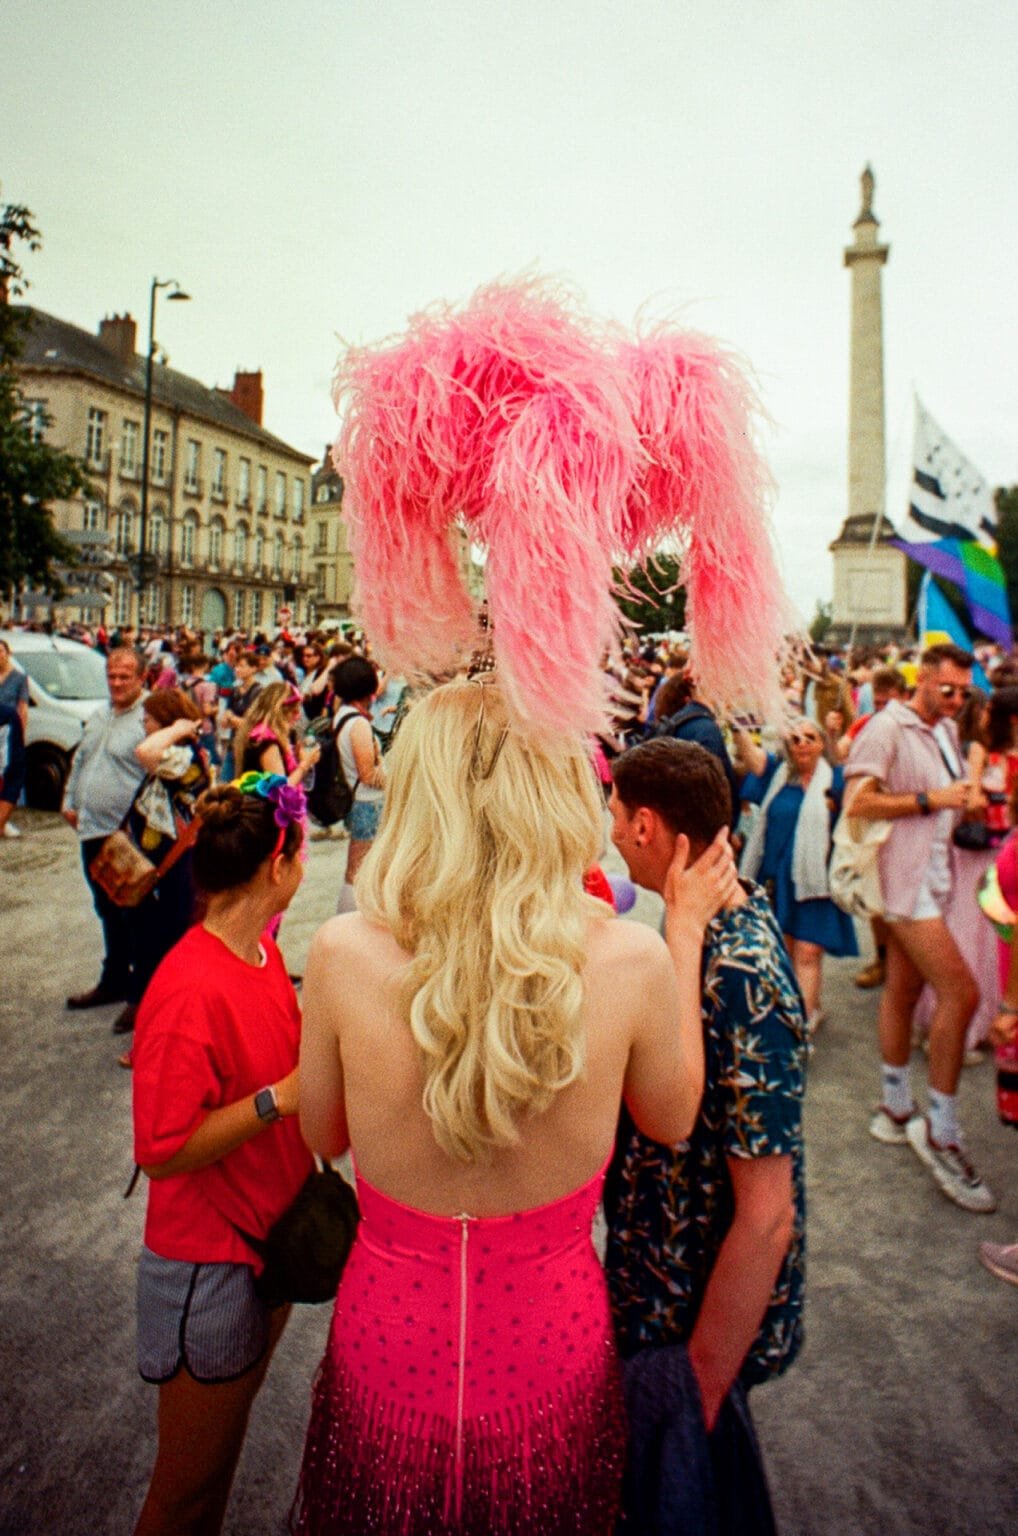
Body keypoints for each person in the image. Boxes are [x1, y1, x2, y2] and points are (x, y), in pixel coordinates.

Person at [292, 678, 737, 1534]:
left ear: (422, 791)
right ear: (557, 791)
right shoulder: (632, 960)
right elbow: (673, 1118)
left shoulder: (343, 952)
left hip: (388, 1341)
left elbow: (323, 1136)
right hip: (551, 1345)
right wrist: (683, 935)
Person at [604, 737, 806, 1535]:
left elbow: (766, 1214)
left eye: (616, 816)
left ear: (648, 826)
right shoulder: (710, 935)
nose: (612, 832)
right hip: (663, 1296)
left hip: (689, 1325)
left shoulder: (737, 971)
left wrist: (701, 1386)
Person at [131, 777, 313, 1536]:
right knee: (183, 1495)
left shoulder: (264, 954)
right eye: (301, 852)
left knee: (217, 1476)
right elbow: (162, 1150)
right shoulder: (188, 989)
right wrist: (283, 1097)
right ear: (278, 863)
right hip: (209, 1267)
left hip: (264, 1248)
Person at [845, 643, 995, 1212]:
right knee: (962, 992)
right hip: (904, 889)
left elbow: (949, 799)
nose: (956, 701)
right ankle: (942, 1131)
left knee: (904, 991)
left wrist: (965, 803)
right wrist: (934, 799)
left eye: (964, 692)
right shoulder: (888, 727)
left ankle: (893, 1107)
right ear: (922, 682)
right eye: (947, 690)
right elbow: (858, 803)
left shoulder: (947, 732)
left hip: (936, 880)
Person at [736, 716, 858, 1034]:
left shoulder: (838, 780)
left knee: (808, 951)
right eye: (795, 739)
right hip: (778, 879)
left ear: (821, 744)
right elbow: (750, 754)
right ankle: (807, 1005)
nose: (802, 743)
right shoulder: (777, 774)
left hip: (817, 880)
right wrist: (737, 726)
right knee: (786, 950)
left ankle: (797, 1029)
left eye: (809, 737)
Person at [113, 688, 212, 1042]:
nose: (143, 725)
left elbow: (145, 751)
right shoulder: (174, 752)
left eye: (150, 719)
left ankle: (161, 1011)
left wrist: (182, 727)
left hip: (172, 864)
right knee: (144, 930)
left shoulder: (183, 756)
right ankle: (145, 1000)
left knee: (165, 936)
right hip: (155, 861)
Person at [62, 648, 147, 1015]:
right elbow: (81, 760)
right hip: (92, 830)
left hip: (127, 835)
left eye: (124, 677)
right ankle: (114, 979)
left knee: (136, 913)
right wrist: (70, 800)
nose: (116, 684)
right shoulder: (98, 715)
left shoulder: (149, 719)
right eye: (111, 677)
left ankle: (141, 992)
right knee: (106, 907)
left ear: (142, 678)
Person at [331, 655, 386, 913]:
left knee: (356, 868)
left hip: (358, 801)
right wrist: (396, 775)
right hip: (368, 803)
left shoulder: (342, 714)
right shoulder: (359, 724)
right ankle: (350, 918)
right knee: (359, 870)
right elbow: (368, 775)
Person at [233, 681, 319, 787]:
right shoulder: (266, 741)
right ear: (279, 713)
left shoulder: (269, 735)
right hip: (265, 803)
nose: (298, 717)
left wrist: (295, 756)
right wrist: (305, 764)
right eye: (294, 711)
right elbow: (281, 789)